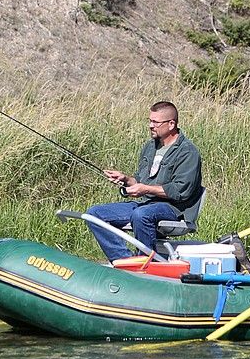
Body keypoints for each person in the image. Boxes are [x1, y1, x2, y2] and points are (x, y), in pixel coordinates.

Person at [86, 101, 203, 263]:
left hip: (174, 209)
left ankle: (147, 263)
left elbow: (180, 191)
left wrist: (145, 189)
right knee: (94, 214)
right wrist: (126, 179)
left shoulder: (188, 152)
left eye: (155, 122)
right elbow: (141, 180)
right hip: (145, 204)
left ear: (171, 124)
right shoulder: (150, 147)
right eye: (150, 121)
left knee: (141, 215)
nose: (150, 125)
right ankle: (125, 261)